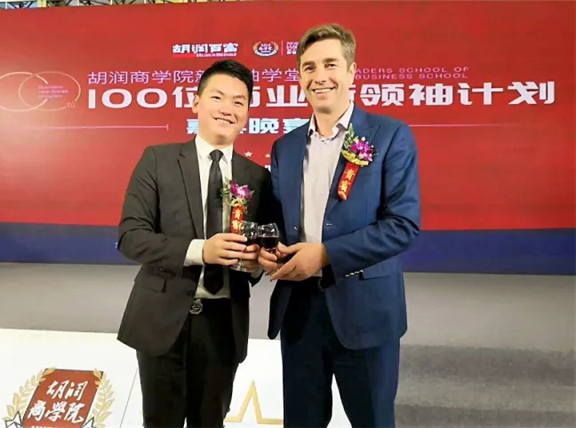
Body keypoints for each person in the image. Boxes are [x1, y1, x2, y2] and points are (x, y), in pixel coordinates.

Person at [259, 24, 421, 428]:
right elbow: (278, 223)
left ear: (351, 71)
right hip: (300, 313)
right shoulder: (285, 147)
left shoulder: (390, 135)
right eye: (308, 67)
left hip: (366, 312)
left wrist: (326, 255)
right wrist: (266, 251)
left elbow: (402, 225)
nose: (319, 76)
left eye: (330, 64)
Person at [117, 59, 273, 428]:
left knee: (211, 422)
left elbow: (261, 251)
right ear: (195, 102)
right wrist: (199, 250)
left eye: (238, 101)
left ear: (248, 113)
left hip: (223, 325)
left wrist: (257, 262)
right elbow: (131, 236)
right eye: (217, 97)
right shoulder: (158, 160)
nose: (227, 108)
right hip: (162, 318)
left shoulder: (258, 177)